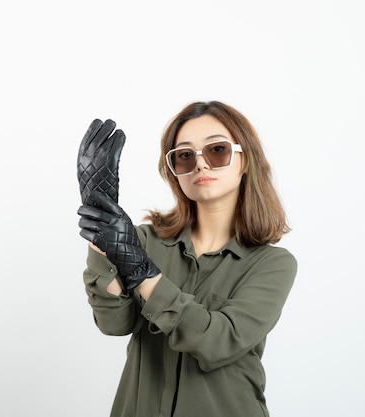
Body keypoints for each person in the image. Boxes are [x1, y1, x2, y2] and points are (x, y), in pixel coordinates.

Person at [76, 101, 297, 417]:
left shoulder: (272, 264)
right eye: (185, 155)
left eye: (217, 150)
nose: (200, 165)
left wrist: (139, 268)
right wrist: (101, 228)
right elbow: (114, 323)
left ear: (245, 160)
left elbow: (217, 340)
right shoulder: (143, 241)